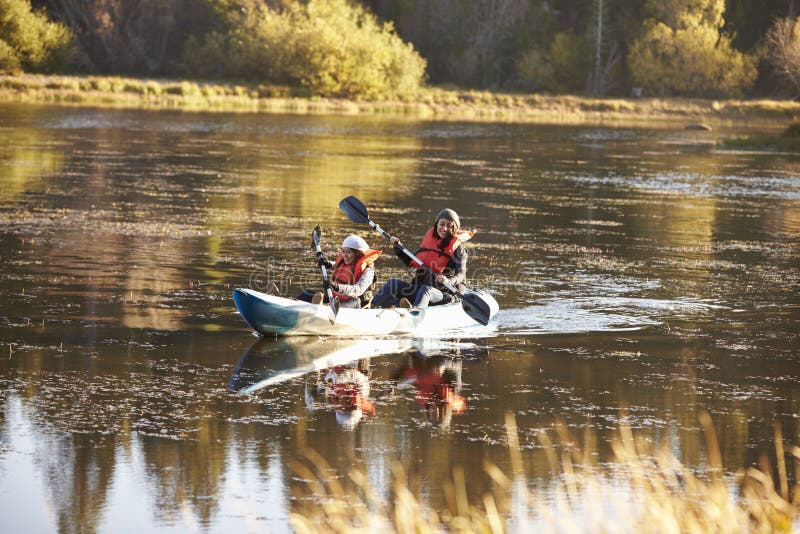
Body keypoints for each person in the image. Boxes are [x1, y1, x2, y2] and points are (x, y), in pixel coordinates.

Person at [371, 208, 471, 309]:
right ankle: (372, 308)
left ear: (455, 229)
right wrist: (398, 247)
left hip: (443, 295)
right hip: (420, 292)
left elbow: (461, 274)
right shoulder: (431, 244)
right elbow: (410, 261)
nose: (444, 228)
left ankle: (414, 313)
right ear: (437, 224)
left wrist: (449, 281)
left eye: (449, 225)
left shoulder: (460, 250)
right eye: (442, 224)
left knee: (426, 289)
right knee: (393, 283)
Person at [297, 235, 381, 309]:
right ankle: (291, 304)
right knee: (308, 293)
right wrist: (327, 264)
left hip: (355, 304)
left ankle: (323, 308)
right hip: (334, 298)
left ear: (358, 254)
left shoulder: (368, 271)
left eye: (349, 252)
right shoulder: (346, 262)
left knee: (354, 300)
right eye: (343, 251)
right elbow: (336, 265)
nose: (344, 255)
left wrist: (336, 287)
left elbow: (358, 289)